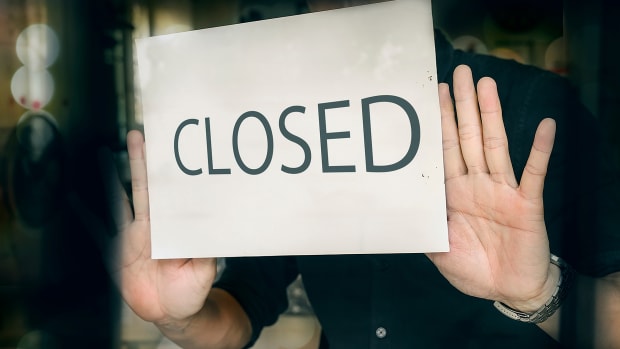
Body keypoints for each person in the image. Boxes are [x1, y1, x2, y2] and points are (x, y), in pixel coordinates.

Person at [114, 1, 620, 348]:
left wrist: (541, 292)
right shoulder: (283, 130)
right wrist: (176, 318)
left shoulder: (534, 104)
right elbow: (239, 313)